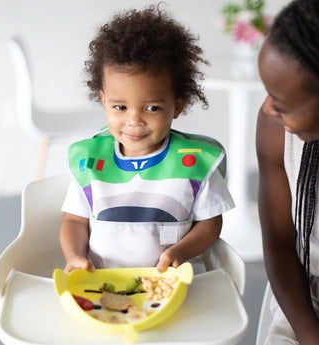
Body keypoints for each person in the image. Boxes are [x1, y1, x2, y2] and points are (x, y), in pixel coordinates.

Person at [60, 4, 234, 275]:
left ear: (177, 106)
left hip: (173, 286)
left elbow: (210, 224)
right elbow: (74, 221)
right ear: (104, 101)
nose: (134, 121)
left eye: (152, 108)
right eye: (120, 107)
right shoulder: (90, 160)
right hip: (101, 283)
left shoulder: (194, 162)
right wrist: (74, 257)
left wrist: (180, 251)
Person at [256, 0, 319, 344]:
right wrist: (310, 334)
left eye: (282, 101)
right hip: (304, 304)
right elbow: (279, 243)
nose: (268, 107)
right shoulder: (274, 128)